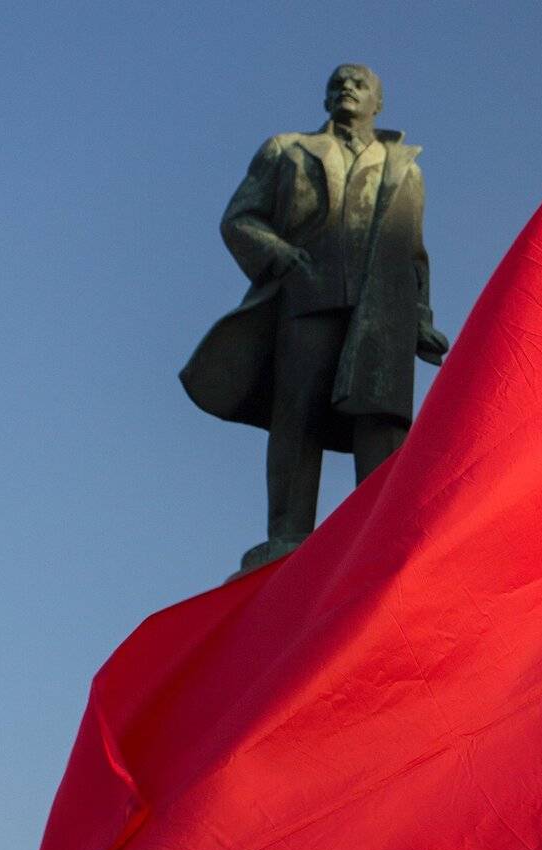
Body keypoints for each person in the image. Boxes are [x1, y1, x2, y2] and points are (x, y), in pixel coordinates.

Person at [180, 63, 447, 570]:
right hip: (307, 297)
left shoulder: (405, 167)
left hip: (382, 309)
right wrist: (279, 255)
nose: (347, 88)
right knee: (297, 415)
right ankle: (287, 535)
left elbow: (414, 253)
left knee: (381, 420)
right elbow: (240, 219)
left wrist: (420, 317)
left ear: (378, 103)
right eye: (337, 83)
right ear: (326, 99)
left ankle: (381, 530)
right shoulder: (287, 150)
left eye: (359, 84)